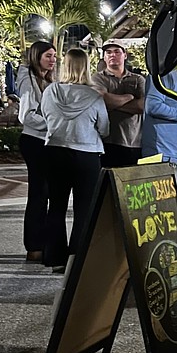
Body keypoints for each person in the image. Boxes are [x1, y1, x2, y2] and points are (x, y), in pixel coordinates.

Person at [40, 48, 109, 273]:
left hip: (55, 151)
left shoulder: (50, 91)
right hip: (86, 154)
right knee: (84, 208)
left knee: (56, 205)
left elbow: (45, 117)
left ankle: (54, 257)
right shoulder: (94, 96)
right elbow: (104, 128)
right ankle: (78, 258)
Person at [16, 41, 56, 263]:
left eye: (54, 56)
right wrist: (54, 124)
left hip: (46, 140)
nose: (53, 60)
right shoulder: (28, 80)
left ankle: (42, 244)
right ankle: (34, 246)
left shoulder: (47, 79)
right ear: (36, 57)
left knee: (46, 193)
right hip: (35, 139)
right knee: (39, 194)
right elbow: (26, 115)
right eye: (48, 56)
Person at [90, 40, 145, 167]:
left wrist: (112, 103)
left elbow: (142, 106)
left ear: (125, 55)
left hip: (134, 142)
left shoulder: (138, 79)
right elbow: (103, 100)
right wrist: (129, 97)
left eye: (117, 52)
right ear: (104, 57)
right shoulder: (97, 78)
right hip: (107, 141)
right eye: (108, 52)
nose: (112, 55)